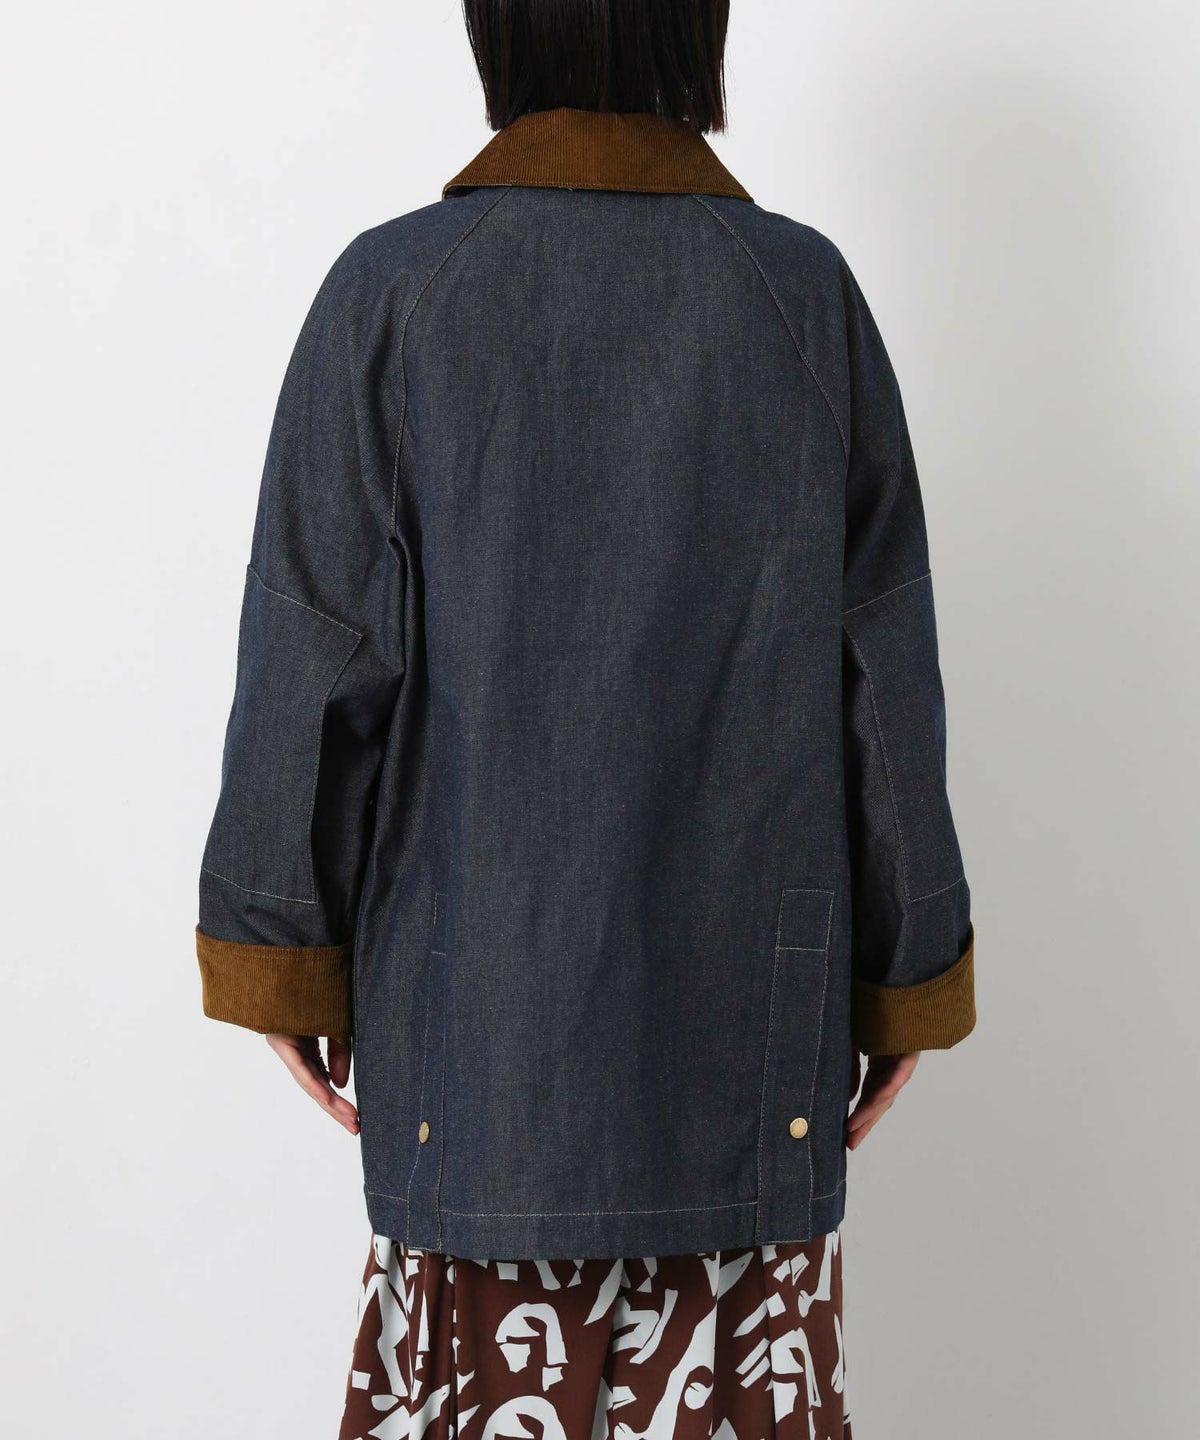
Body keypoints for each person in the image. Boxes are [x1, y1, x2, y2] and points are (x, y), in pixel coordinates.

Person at [193, 3, 975, 1435]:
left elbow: (313, 660)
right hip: (750, 1059)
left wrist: (279, 955)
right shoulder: (804, 299)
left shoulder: (392, 294)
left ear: (495, 26)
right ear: (700, 26)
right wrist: (906, 972)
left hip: (474, 1065)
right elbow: (884, 674)